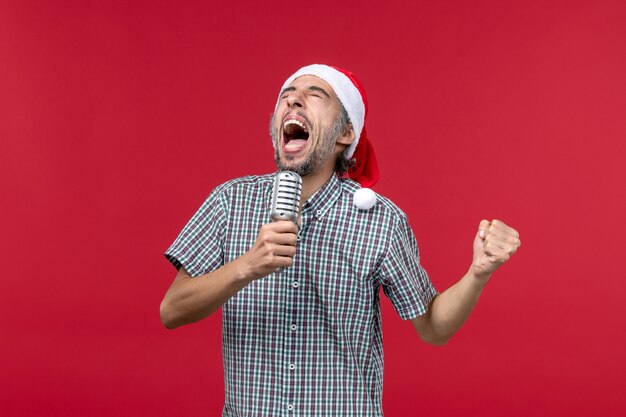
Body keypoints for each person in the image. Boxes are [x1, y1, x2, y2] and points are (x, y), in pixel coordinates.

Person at [160, 64, 521, 417]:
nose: (294, 101)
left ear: (346, 132)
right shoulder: (230, 202)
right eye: (287, 95)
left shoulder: (380, 221)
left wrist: (478, 273)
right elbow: (171, 310)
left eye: (314, 95)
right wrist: (245, 267)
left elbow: (433, 328)